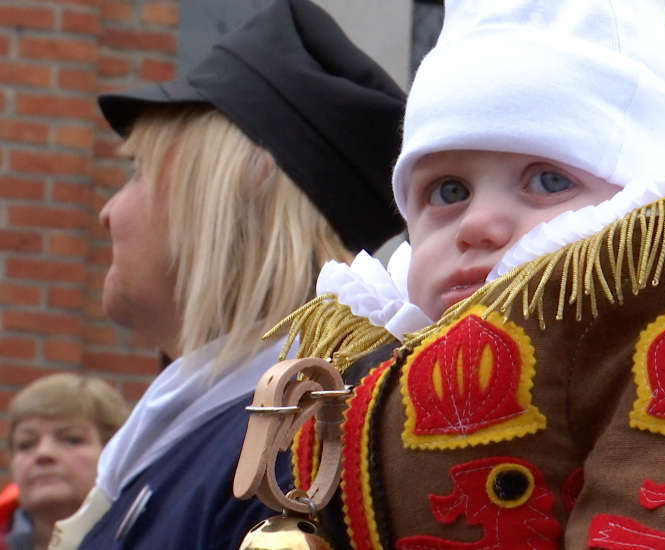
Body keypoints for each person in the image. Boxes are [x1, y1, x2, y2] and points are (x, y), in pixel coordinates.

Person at [236, 0, 665, 548]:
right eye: (447, 192)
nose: (478, 223)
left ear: (647, 215)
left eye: (548, 181)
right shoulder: (375, 361)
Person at [48, 1, 406, 549]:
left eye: (136, 171)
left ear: (228, 198)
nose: (107, 213)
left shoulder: (304, 452)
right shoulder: (207, 427)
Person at [0, 374, 129, 550]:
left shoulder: (154, 537)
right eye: (26, 444)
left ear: (114, 452)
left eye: (71, 439)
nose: (43, 453)